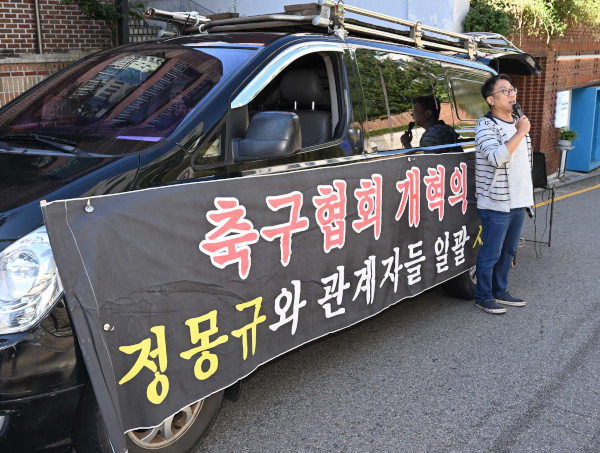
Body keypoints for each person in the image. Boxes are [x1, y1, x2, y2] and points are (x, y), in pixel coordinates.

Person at [474, 74, 534, 314]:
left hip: (519, 200)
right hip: (496, 202)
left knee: (509, 250)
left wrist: (520, 130)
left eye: (512, 90)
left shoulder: (518, 121)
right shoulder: (486, 126)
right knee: (491, 252)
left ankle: (501, 291)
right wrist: (520, 133)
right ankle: (483, 296)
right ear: (490, 99)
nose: (512, 94)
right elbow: (497, 158)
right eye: (505, 91)